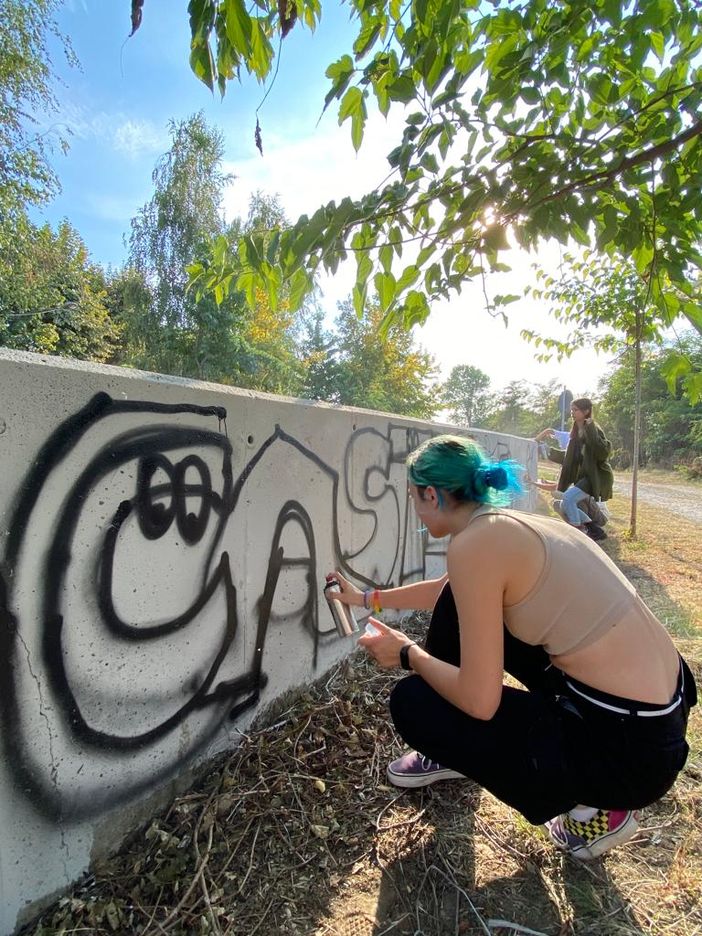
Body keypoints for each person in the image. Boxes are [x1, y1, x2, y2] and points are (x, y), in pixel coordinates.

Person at [329, 435, 696, 861]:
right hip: (658, 718)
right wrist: (366, 600)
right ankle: (456, 750)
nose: (414, 506)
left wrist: (407, 653)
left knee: (413, 702)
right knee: (455, 614)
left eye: (413, 496)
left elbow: (480, 701)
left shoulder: (474, 545)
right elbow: (449, 593)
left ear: (431, 494)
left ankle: (593, 809)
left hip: (625, 755)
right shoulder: (507, 526)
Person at [535, 398, 614, 531]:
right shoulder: (576, 432)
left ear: (586, 411)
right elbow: (569, 458)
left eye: (575, 410)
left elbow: (603, 453)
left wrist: (591, 429)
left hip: (596, 476)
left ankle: (579, 529)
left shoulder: (594, 429)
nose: (572, 413)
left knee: (568, 498)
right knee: (563, 502)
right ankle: (595, 531)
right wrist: (547, 450)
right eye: (572, 410)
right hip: (586, 477)